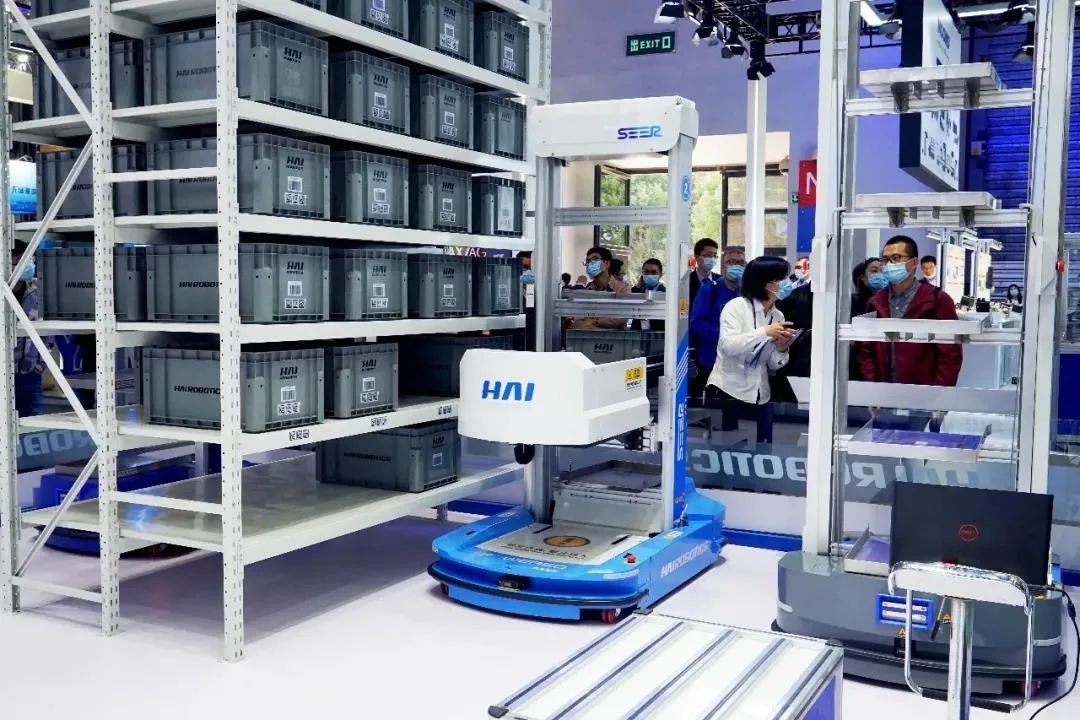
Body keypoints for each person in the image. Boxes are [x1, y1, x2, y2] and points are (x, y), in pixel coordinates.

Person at [705, 256, 795, 444]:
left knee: (762, 450)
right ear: (766, 282)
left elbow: (773, 364)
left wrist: (782, 348)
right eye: (782, 278)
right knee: (725, 451)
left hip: (761, 394)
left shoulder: (778, 315)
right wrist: (764, 332)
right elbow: (729, 346)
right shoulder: (736, 307)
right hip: (728, 390)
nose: (787, 283)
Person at [857, 236, 962, 386]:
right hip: (883, 392)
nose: (889, 265)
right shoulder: (876, 302)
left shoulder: (937, 300)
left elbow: (950, 354)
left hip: (924, 392)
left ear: (914, 263)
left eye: (896, 258)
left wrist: (939, 394)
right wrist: (872, 387)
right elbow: (866, 351)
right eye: (885, 260)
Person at [689, 246, 745, 397]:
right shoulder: (710, 290)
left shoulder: (747, 293)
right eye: (731, 262)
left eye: (740, 263)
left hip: (740, 365)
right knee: (714, 405)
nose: (736, 266)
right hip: (712, 362)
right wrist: (724, 337)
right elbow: (696, 323)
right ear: (723, 265)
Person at [12, 240, 46, 417]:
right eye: (19, 260)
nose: (26, 264)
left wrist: (38, 366)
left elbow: (46, 334)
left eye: (27, 259)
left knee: (34, 424)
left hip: (30, 375)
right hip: (5, 374)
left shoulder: (36, 292)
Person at [570, 246, 630, 329]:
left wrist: (594, 322)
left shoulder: (622, 288)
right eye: (588, 261)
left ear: (607, 264)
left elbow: (622, 317)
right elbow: (578, 317)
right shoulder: (588, 289)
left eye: (594, 259)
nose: (590, 264)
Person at [631, 258, 665, 331]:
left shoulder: (665, 293)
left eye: (653, 272)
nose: (649, 275)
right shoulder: (638, 290)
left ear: (660, 275)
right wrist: (638, 286)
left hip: (657, 334)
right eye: (646, 272)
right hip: (637, 333)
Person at [689, 237, 719, 310]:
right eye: (708, 255)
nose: (712, 259)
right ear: (697, 257)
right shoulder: (687, 281)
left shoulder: (720, 281)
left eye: (714, 256)